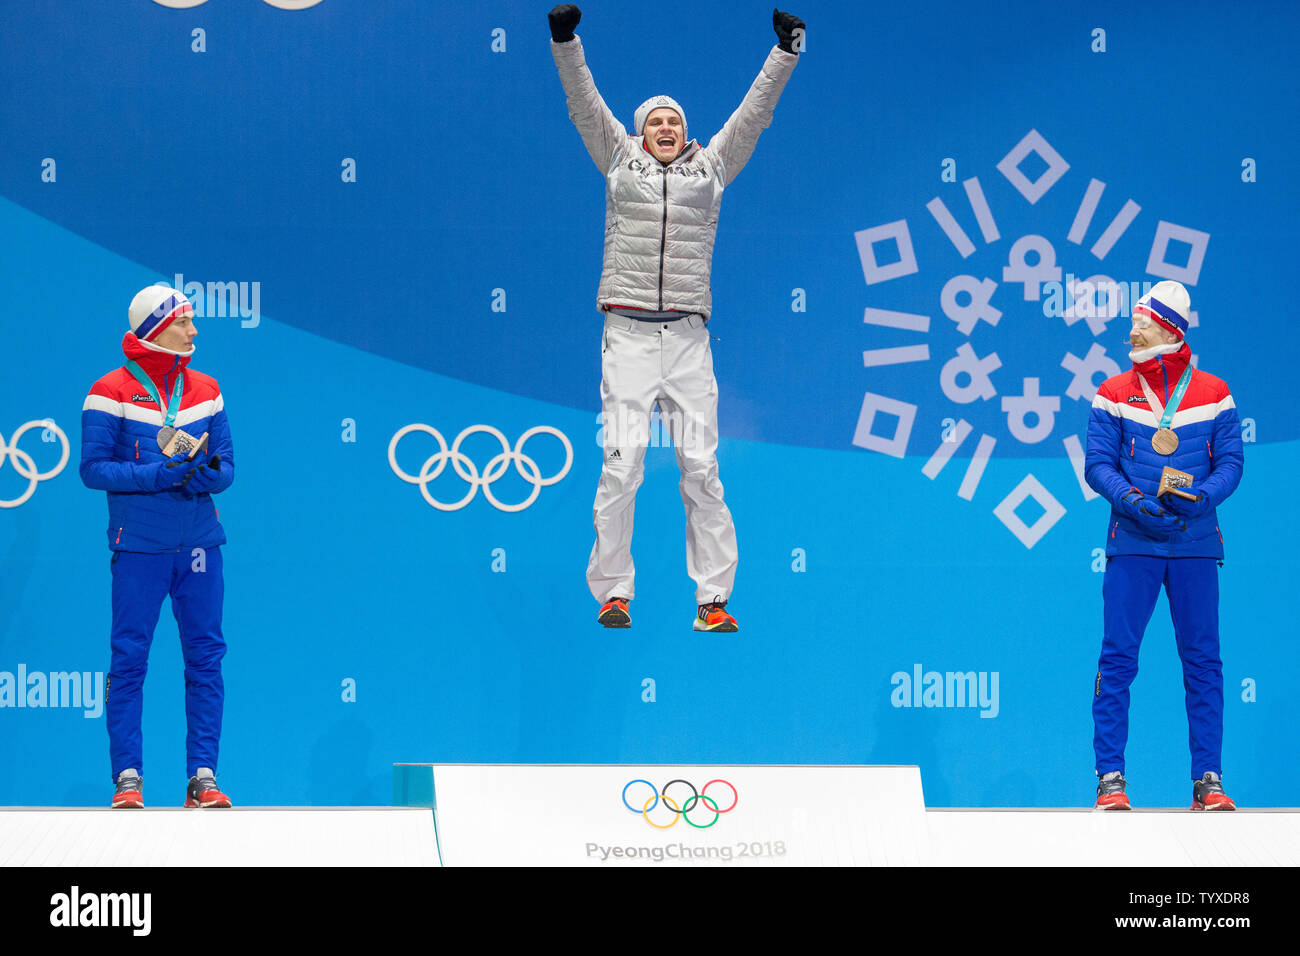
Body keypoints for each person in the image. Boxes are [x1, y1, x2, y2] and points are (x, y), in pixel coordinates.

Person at [548, 4, 804, 632]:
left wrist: (786, 53)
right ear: (639, 133)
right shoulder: (618, 159)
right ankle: (614, 593)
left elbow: (754, 115)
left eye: (675, 121)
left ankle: (713, 600)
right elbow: (585, 102)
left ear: (685, 131)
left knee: (703, 472)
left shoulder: (710, 166)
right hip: (628, 338)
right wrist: (565, 41)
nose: (666, 126)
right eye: (655, 121)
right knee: (620, 470)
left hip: (688, 341)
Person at [1084, 280, 1243, 811]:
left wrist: (1203, 498)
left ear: (1170, 329)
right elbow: (1098, 465)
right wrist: (1131, 499)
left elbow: (1231, 465)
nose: (1132, 329)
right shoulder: (1111, 392)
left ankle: (1208, 781)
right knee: (1119, 659)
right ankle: (1110, 778)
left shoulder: (1215, 392)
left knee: (1203, 663)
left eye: (1143, 322)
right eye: (1133, 321)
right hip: (1133, 542)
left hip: (1195, 544)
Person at [80, 284, 235, 809]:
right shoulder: (109, 390)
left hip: (199, 547)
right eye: (185, 322)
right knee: (129, 660)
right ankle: (127, 778)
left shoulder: (207, 389)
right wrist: (156, 475)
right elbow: (93, 469)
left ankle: (203, 779)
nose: (194, 330)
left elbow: (228, 470)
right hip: (140, 545)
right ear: (155, 328)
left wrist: (199, 475)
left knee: (206, 659)